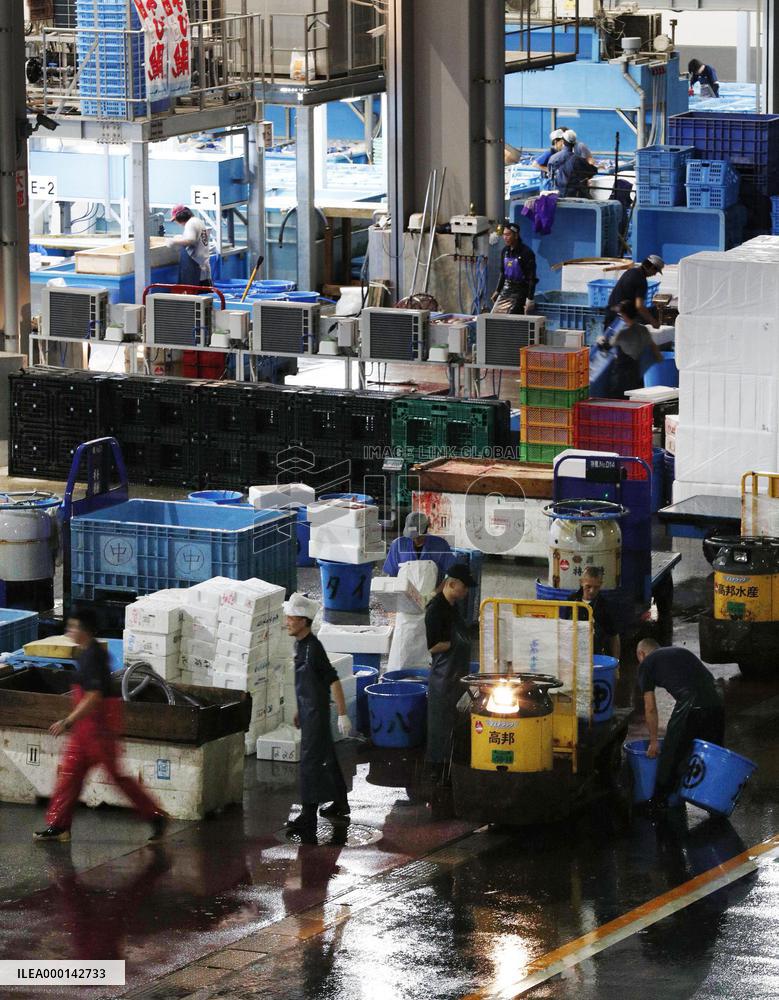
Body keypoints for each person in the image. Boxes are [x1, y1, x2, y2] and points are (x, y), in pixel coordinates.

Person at [34, 608, 167, 843]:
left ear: (84, 630)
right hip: (85, 729)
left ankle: (155, 816)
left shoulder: (94, 656)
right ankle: (58, 825)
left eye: (73, 627)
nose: (69, 631)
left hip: (98, 729)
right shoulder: (85, 653)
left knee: (117, 777)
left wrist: (68, 721)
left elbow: (94, 696)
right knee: (70, 775)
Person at [284, 593, 352, 842]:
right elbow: (307, 683)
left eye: (292, 617)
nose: (287, 621)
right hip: (308, 711)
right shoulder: (300, 645)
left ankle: (308, 816)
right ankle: (341, 803)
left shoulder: (314, 648)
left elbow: (333, 680)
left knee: (310, 764)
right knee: (327, 758)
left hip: (317, 715)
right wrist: (298, 710)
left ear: (304, 621)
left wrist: (343, 714)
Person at [636, 638, 725, 808]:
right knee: (714, 755)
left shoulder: (646, 664)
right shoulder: (679, 652)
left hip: (691, 703)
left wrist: (654, 741)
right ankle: (716, 803)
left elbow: (650, 707)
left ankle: (658, 802)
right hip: (717, 700)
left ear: (641, 653)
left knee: (671, 752)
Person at [425, 563, 476, 772]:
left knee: (455, 724)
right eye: (464, 587)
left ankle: (450, 767)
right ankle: (437, 770)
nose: (466, 592)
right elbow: (433, 646)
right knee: (441, 726)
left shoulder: (453, 606)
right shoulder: (435, 609)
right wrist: (455, 643)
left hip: (456, 676)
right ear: (452, 583)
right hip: (442, 679)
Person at [601, 299, 665, 397]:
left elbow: (607, 347)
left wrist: (600, 340)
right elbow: (653, 346)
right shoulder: (643, 329)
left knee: (617, 396)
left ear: (624, 315)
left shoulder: (622, 333)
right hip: (635, 370)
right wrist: (659, 358)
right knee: (632, 395)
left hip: (621, 373)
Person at [384, 512, 455, 586]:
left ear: (427, 527)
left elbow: (451, 574)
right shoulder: (397, 545)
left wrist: (436, 592)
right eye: (412, 536)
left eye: (419, 536)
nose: (415, 539)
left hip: (433, 594)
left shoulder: (440, 545)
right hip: (404, 594)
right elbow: (391, 574)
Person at [569, 566, 620, 659]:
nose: (592, 591)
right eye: (588, 586)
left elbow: (614, 636)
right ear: (581, 582)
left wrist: (616, 662)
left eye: (596, 587)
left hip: (596, 656)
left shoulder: (605, 606)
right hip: (573, 654)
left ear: (601, 584)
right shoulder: (571, 601)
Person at [602, 255, 664, 331]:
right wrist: (653, 321)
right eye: (656, 271)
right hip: (621, 320)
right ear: (651, 268)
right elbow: (639, 306)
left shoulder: (630, 271)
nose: (654, 274)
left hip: (611, 313)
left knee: (608, 341)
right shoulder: (641, 280)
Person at [491, 221, 538, 315]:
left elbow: (532, 278)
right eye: (504, 235)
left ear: (516, 236)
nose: (505, 237)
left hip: (520, 291)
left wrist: (530, 299)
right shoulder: (505, 251)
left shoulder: (526, 253)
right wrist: (497, 290)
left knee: (511, 317)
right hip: (507, 289)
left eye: (508, 235)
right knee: (494, 315)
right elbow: (503, 273)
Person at [168, 204, 212, 286]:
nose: (177, 223)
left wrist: (173, 241)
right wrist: (181, 237)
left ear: (179, 217)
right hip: (202, 264)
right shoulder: (197, 221)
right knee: (204, 293)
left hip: (195, 266)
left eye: (175, 220)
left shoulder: (190, 224)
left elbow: (190, 240)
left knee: (195, 294)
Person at [548, 129, 598, 197]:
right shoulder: (578, 159)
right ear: (574, 143)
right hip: (573, 195)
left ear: (562, 142)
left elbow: (550, 175)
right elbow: (593, 171)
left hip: (557, 194)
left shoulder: (552, 158)